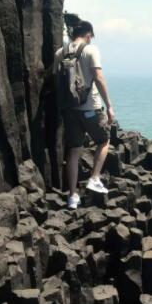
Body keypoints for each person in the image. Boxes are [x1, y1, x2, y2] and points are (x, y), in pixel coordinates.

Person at [55, 20, 115, 210]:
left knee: (74, 151)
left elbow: (56, 79)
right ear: (88, 34)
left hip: (69, 110)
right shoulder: (91, 50)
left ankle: (72, 197)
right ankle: (94, 178)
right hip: (90, 108)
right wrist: (109, 106)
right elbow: (98, 77)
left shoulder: (60, 52)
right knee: (104, 141)